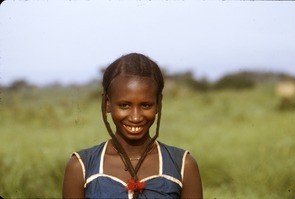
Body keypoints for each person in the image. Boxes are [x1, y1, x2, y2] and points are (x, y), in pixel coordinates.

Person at [62, 53, 203, 199]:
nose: (135, 117)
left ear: (158, 104)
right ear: (107, 104)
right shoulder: (81, 167)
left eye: (146, 105)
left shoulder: (182, 166)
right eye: (124, 105)